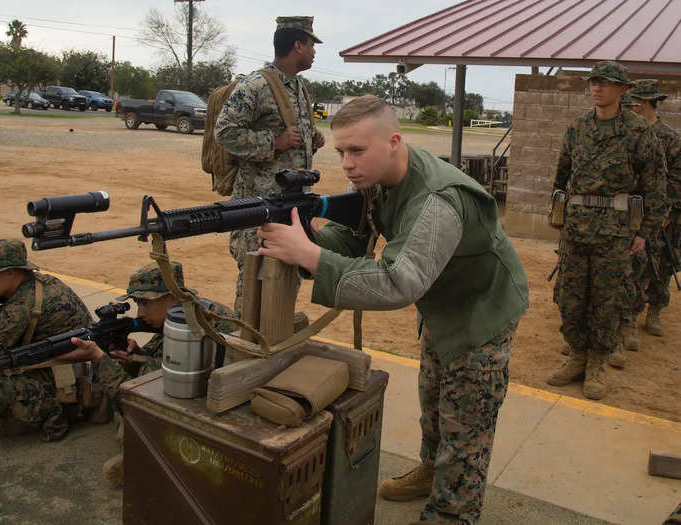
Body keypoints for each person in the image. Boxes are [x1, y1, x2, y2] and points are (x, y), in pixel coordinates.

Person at [257, 95, 529, 525]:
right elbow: (352, 242)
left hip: (482, 312)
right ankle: (430, 471)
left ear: (394, 141)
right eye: (342, 151)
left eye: (357, 151)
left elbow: (398, 282)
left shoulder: (438, 199)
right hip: (443, 307)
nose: (346, 163)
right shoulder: (376, 181)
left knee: (467, 423)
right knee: (435, 399)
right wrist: (309, 240)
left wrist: (311, 258)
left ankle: (452, 510)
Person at [546, 62, 667, 397]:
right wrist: (559, 215)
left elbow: (654, 186)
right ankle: (577, 356)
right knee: (570, 298)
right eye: (594, 82)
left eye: (605, 83)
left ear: (622, 90)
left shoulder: (639, 131)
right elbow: (561, 177)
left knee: (607, 300)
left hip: (615, 232)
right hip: (576, 229)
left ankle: (596, 365)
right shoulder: (577, 127)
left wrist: (644, 232)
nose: (597, 88)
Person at [57, 261, 236, 485]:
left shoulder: (196, 325)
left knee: (134, 411)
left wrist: (99, 359)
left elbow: (144, 391)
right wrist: (136, 354)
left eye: (146, 303)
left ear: (173, 296)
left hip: (214, 405)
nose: (140, 313)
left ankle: (144, 461)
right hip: (204, 390)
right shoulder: (184, 314)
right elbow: (157, 357)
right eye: (137, 303)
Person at [215, 15, 326, 315]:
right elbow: (225, 132)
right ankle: (248, 344)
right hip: (259, 205)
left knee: (286, 278)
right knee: (255, 281)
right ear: (297, 45)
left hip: (291, 203)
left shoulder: (299, 87)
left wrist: (310, 137)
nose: (315, 50)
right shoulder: (256, 85)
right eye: (312, 44)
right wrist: (273, 142)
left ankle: (276, 338)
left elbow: (291, 128)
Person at [0, 238, 91, 441]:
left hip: (63, 385)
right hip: (68, 370)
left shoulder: (23, 305)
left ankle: (51, 413)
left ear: (11, 272)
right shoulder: (39, 283)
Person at [627, 79, 681, 338]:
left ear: (647, 102)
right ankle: (630, 318)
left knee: (660, 265)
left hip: (662, 215)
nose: (630, 105)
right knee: (634, 264)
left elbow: (676, 180)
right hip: (632, 212)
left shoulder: (670, 139)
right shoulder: (629, 132)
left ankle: (655, 311)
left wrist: (664, 212)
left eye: (635, 101)